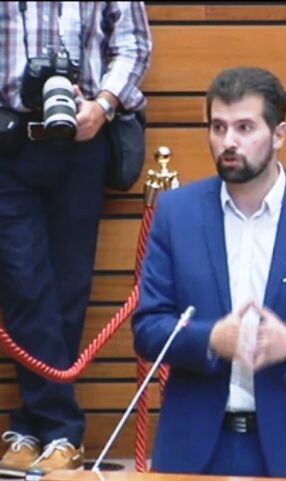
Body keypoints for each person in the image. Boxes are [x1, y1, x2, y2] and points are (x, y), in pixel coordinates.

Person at [132, 67, 286, 481]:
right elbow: (148, 328)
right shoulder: (176, 215)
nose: (228, 142)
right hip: (193, 447)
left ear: (279, 134)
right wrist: (208, 339)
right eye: (218, 127)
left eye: (244, 127)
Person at [0, 2, 151, 474]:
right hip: (8, 141)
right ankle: (62, 429)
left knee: (68, 288)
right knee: (24, 285)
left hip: (82, 144)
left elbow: (133, 43)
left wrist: (103, 106)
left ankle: (32, 428)